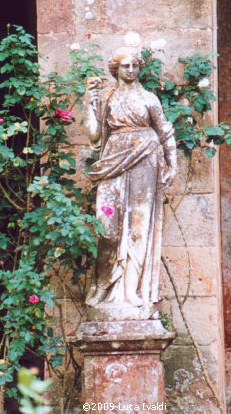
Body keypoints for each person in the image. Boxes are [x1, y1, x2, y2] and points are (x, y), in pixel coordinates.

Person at [85, 45, 177, 317]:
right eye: (125, 65)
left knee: (139, 225)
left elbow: (165, 131)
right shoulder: (107, 99)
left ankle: (131, 292)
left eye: (134, 65)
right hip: (114, 161)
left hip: (146, 159)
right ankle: (104, 284)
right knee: (107, 229)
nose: (131, 69)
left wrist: (172, 164)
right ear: (115, 69)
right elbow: (93, 136)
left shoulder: (149, 99)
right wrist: (88, 103)